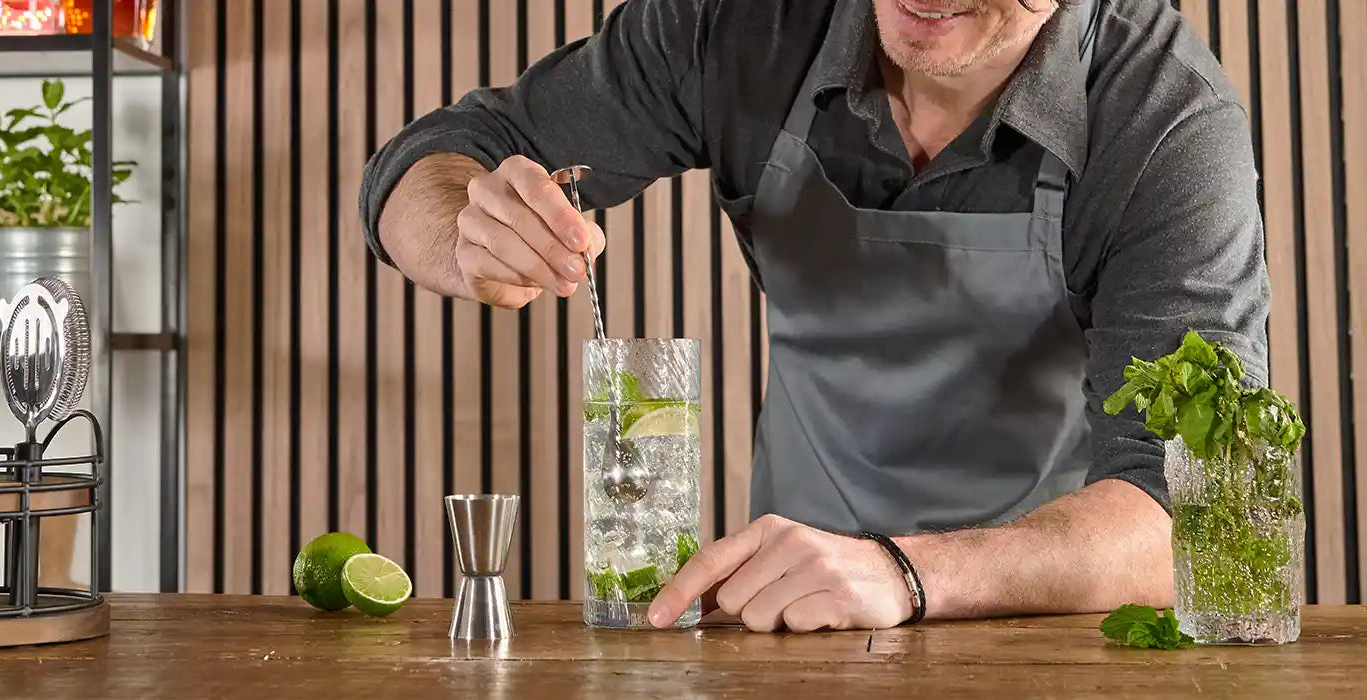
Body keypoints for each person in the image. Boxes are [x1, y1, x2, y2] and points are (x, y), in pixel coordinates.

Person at [361, 0, 1266, 632]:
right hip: (790, 625)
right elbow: (440, 155)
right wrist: (465, 232)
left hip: (1050, 633)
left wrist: (907, 574)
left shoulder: (1168, 120)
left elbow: (1192, 511)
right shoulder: (741, 24)